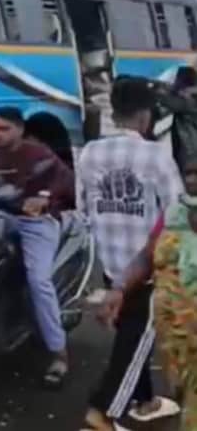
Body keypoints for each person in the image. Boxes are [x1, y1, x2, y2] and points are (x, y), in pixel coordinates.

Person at [76, 77, 184, 431]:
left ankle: (145, 402)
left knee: (131, 336)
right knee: (136, 339)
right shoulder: (156, 156)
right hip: (150, 266)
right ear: (145, 115)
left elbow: (83, 207)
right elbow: (177, 214)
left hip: (111, 262)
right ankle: (103, 411)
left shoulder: (90, 153)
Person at [0, 107, 76, 388]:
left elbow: (64, 179)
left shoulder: (38, 154)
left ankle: (59, 354)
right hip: (1, 218)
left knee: (39, 281)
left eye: (3, 128)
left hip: (36, 222)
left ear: (19, 129)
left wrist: (43, 197)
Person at [97, 157, 197, 431]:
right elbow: (148, 255)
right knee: (185, 394)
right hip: (175, 334)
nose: (192, 181)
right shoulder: (175, 213)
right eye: (189, 172)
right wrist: (119, 288)